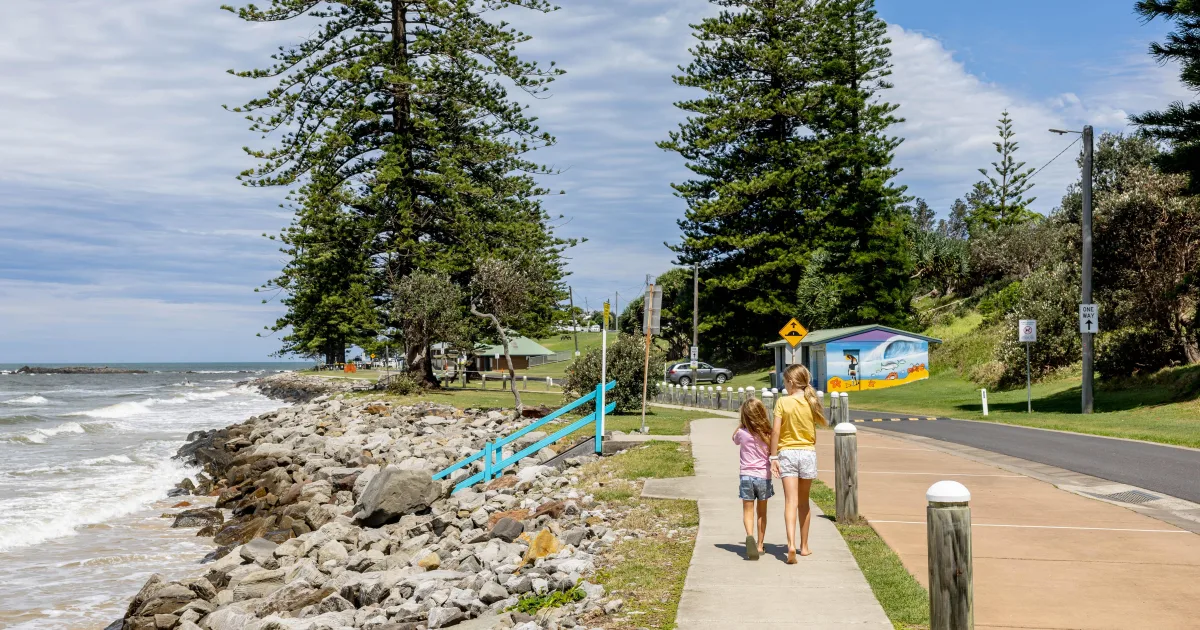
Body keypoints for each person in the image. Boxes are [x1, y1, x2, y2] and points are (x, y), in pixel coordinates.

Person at [769, 364, 829, 563]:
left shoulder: (782, 402)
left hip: (787, 453)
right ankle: (804, 547)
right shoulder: (812, 401)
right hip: (807, 453)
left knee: (790, 502)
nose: (784, 386)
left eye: (785, 382)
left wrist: (773, 457)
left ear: (791, 382)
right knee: (804, 502)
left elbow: (775, 431)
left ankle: (790, 545)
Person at [733, 398, 774, 560]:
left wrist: (741, 425)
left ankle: (749, 535)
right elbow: (773, 450)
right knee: (762, 512)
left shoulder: (741, 433)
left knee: (748, 510)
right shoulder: (768, 433)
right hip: (763, 476)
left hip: (746, 476)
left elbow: (734, 439)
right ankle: (760, 545)